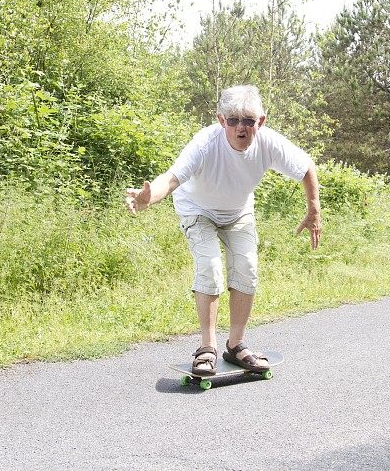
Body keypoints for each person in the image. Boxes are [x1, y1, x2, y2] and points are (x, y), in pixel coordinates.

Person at [125, 85, 321, 375]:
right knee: (210, 266)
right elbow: (171, 179)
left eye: (248, 121)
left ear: (261, 122)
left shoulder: (269, 143)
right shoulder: (204, 144)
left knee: (247, 267)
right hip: (197, 209)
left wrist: (314, 211)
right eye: (232, 121)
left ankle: (236, 344)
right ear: (221, 121)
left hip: (238, 211)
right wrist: (147, 198)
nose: (240, 128)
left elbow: (306, 168)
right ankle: (207, 347)